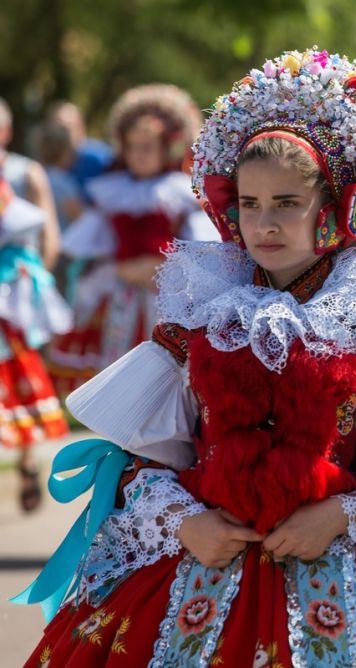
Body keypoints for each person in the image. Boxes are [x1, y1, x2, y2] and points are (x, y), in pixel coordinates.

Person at [17, 47, 356, 666]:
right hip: (204, 558)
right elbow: (133, 459)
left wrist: (342, 514)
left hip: (344, 566)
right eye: (250, 205)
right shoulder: (202, 318)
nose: (265, 224)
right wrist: (186, 523)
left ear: (338, 210)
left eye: (287, 204)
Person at [47, 84, 218, 396]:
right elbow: (96, 242)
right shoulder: (112, 191)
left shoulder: (178, 192)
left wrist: (169, 270)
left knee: (162, 364)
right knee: (117, 359)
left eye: (147, 148)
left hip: (165, 290)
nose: (138, 155)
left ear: (167, 148)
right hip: (120, 286)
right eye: (133, 147)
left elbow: (198, 246)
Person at [0, 174, 71, 512]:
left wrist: (39, 281)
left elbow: (48, 232)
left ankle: (27, 457)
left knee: (19, 373)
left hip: (13, 290)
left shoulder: (24, 171)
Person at [0, 97, 61, 269]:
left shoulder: (27, 172)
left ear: (6, 131)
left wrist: (37, 278)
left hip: (18, 277)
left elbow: (49, 236)